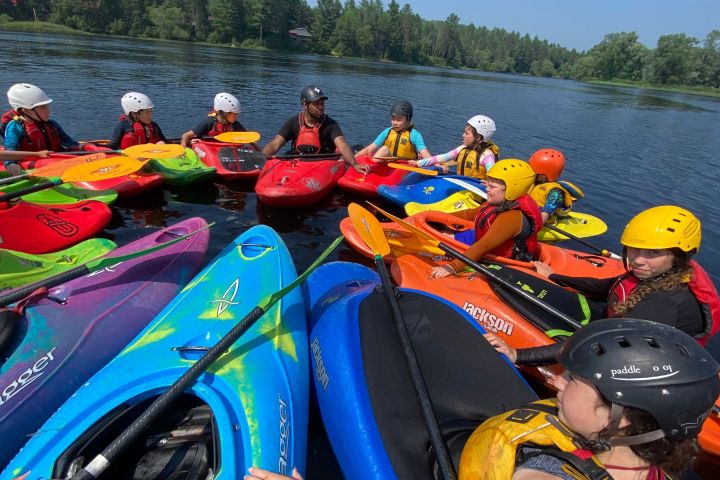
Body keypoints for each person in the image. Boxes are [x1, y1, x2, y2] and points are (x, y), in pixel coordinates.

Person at [460, 318, 720, 480]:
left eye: (572, 379)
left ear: (620, 416)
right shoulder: (655, 469)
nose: (558, 381)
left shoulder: (542, 475)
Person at [487, 205, 720, 365]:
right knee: (508, 281)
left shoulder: (662, 302)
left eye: (653, 253)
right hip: (610, 321)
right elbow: (607, 286)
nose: (638, 259)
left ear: (678, 256)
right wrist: (554, 278)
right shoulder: (652, 273)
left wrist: (519, 355)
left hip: (625, 350)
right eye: (634, 249)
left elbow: (605, 344)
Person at [429, 159, 543, 279]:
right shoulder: (496, 204)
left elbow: (483, 246)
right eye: (487, 183)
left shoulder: (513, 216)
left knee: (439, 243)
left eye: (492, 186)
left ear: (512, 190)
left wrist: (452, 267)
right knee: (439, 234)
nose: (487, 188)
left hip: (501, 264)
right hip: (484, 246)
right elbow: (469, 214)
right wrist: (435, 217)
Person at [262, 85, 370, 175]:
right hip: (296, 164)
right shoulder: (293, 122)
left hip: (321, 165)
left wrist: (354, 164)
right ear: (305, 104)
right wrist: (261, 158)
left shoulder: (331, 124)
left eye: (322, 103)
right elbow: (275, 144)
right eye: (317, 103)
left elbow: (342, 145)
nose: (321, 107)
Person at [410, 114, 498, 177]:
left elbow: (494, 177)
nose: (463, 135)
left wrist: (489, 184)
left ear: (478, 137)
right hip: (461, 187)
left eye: (467, 133)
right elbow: (440, 158)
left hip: (475, 192)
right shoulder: (462, 149)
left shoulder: (487, 156)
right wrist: (418, 163)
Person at [2, 83, 81, 152]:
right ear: (26, 111)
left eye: (47, 107)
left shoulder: (52, 124)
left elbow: (70, 143)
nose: (48, 111)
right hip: (33, 164)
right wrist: (11, 164)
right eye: (43, 107)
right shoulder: (15, 127)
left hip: (55, 160)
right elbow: (11, 151)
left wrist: (82, 147)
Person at [355, 100, 431, 161]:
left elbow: (425, 153)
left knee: (383, 150)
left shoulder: (414, 135)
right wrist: (353, 159)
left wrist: (436, 165)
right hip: (389, 163)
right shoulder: (387, 132)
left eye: (399, 120)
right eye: (393, 119)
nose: (395, 123)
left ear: (408, 120)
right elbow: (369, 149)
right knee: (384, 149)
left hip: (407, 165)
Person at [528, 148, 584, 224]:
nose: (530, 173)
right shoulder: (532, 183)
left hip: (540, 221)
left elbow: (545, 214)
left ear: (543, 176)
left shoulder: (555, 193)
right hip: (525, 215)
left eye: (533, 171)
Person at [180, 92, 251, 147]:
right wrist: (184, 149)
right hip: (210, 149)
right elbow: (185, 136)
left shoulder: (234, 124)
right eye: (234, 114)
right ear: (224, 113)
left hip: (226, 152)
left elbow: (249, 139)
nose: (237, 116)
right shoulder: (210, 122)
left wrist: (260, 152)